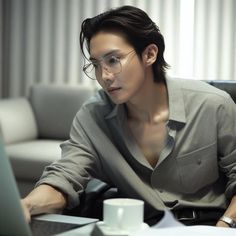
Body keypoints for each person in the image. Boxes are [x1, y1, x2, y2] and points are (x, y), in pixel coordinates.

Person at [22, 5, 236, 227]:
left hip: (211, 224)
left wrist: (224, 227)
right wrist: (27, 205)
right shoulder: (93, 115)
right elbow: (64, 177)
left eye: (113, 60)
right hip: (140, 227)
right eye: (96, 64)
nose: (104, 76)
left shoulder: (213, 105)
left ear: (150, 54)